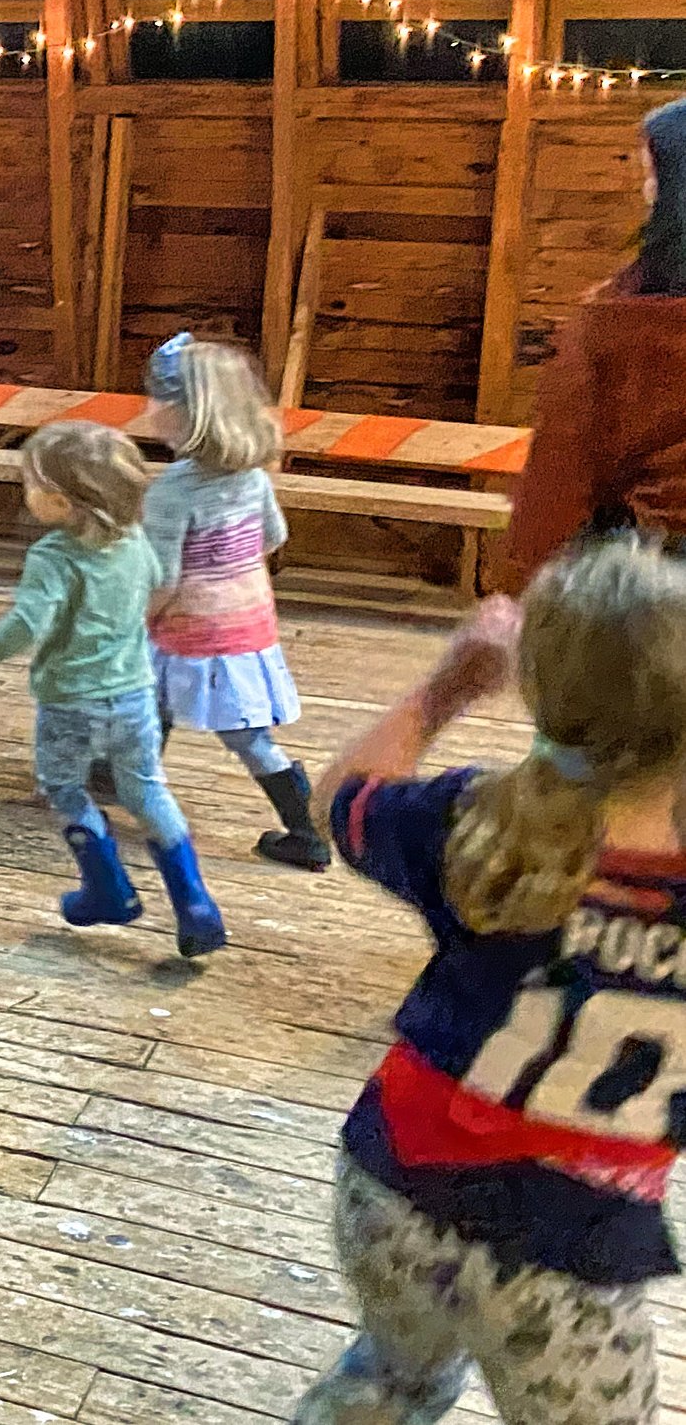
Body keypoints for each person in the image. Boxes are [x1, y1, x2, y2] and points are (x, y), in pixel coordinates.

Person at [296, 540, 686, 1424]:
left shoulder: (474, 820)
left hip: (393, 1182)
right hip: (572, 1249)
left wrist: (448, 688)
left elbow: (341, 797)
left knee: (395, 1376)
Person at [0, 422, 227, 959]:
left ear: (60, 502)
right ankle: (196, 903)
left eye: (30, 483)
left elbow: (26, 624)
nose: (26, 491)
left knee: (65, 789)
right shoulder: (134, 541)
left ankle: (109, 891)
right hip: (135, 693)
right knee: (147, 790)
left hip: (70, 702)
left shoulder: (54, 556)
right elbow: (160, 582)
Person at [493, 94, 686, 594]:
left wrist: (521, 597)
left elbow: (560, 484)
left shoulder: (617, 328)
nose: (646, 193)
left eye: (653, 177)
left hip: (645, 594)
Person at [140, 334, 318, 869]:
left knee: (243, 736)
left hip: (197, 632)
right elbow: (273, 537)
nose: (149, 409)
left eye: (156, 399)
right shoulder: (251, 476)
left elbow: (163, 579)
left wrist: (135, 613)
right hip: (247, 625)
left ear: (184, 413)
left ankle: (307, 832)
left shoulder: (173, 491)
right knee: (159, 695)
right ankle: (126, 775)